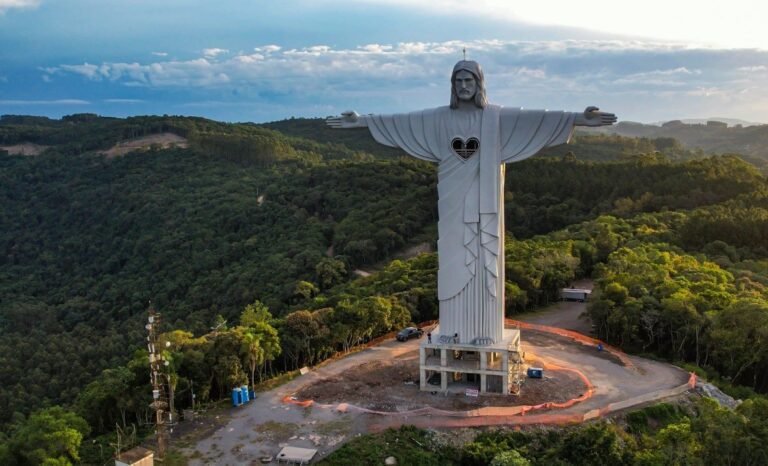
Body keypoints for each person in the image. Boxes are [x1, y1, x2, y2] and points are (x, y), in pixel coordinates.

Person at [327, 60, 616, 346]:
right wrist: (362, 120)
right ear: (452, 85)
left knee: (483, 259)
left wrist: (578, 118)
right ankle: (454, 330)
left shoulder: (495, 117)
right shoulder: (439, 117)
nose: (464, 86)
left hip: (485, 203)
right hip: (451, 203)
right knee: (453, 257)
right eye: (458, 81)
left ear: (479, 83)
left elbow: (535, 119)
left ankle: (485, 331)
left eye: (469, 81)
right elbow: (402, 121)